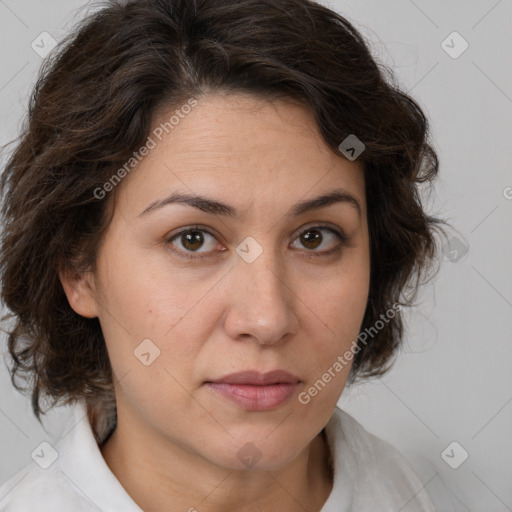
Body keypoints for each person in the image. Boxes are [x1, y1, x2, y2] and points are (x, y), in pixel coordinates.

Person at [0, 0, 448, 510]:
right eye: (193, 239)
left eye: (314, 237)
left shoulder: (415, 493)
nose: (266, 318)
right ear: (79, 269)